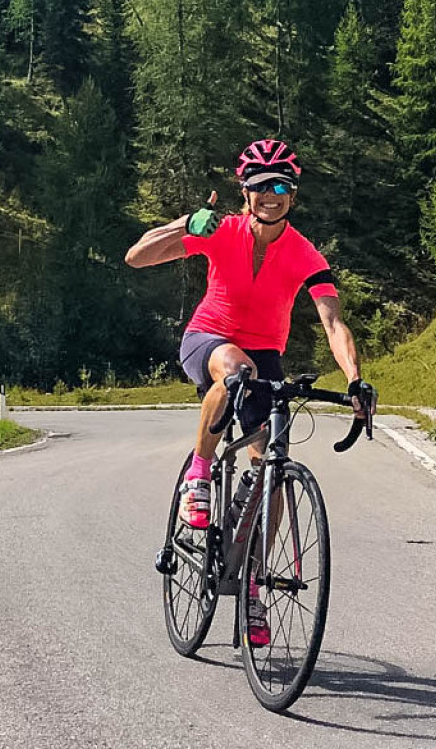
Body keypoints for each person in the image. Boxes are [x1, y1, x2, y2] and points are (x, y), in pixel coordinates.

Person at [125, 139, 376, 645]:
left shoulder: (305, 252)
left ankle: (255, 589)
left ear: (292, 194)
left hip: (267, 355)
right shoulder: (221, 231)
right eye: (261, 186)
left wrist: (354, 378)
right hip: (210, 339)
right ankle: (199, 472)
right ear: (245, 192)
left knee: (272, 470)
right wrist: (186, 224)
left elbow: (333, 322)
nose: (271, 194)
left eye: (281, 185)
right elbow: (137, 257)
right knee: (234, 369)